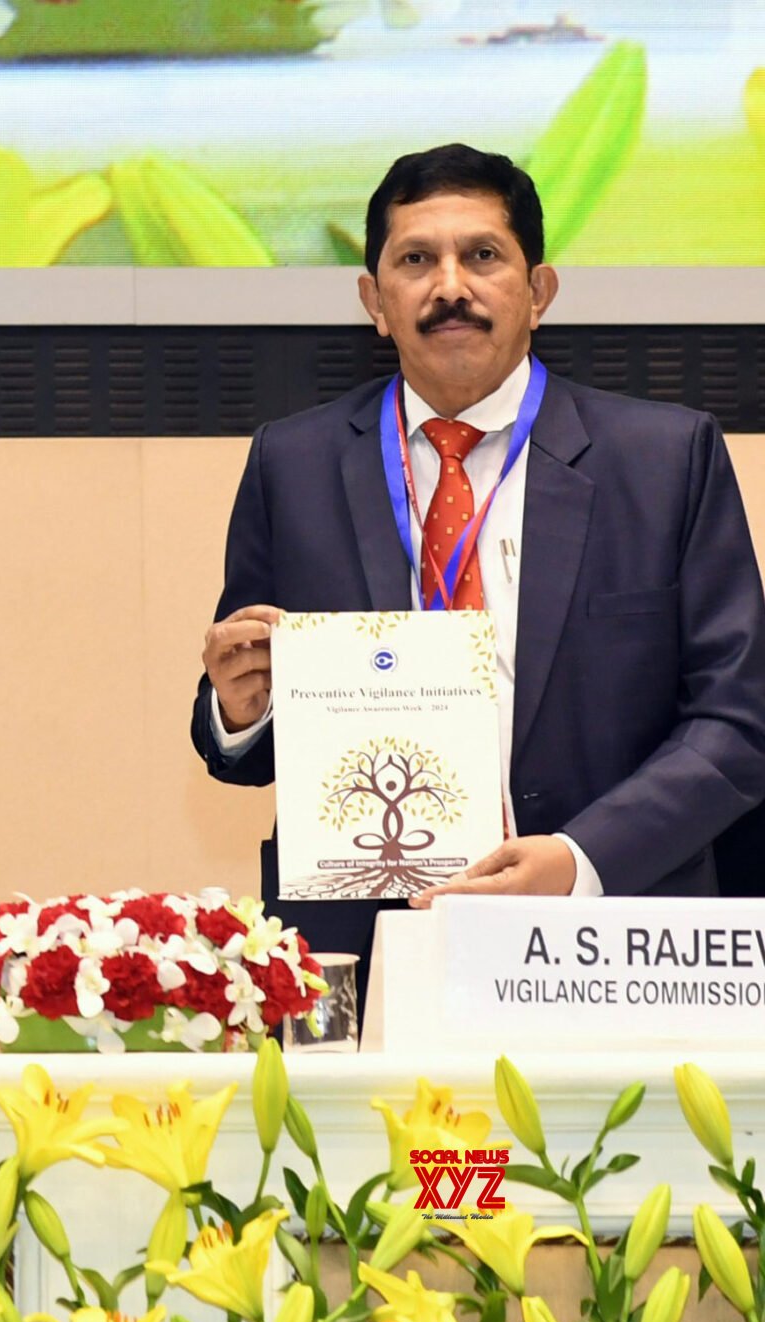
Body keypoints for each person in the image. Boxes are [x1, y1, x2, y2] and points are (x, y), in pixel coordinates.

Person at [194, 144, 765, 975]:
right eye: (416, 260)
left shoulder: (665, 459)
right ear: (375, 302)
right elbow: (247, 738)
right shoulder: (296, 464)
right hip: (363, 947)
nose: (450, 286)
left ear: (538, 293)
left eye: (483, 256)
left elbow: (739, 722)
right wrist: (240, 711)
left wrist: (578, 859)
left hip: (610, 938)